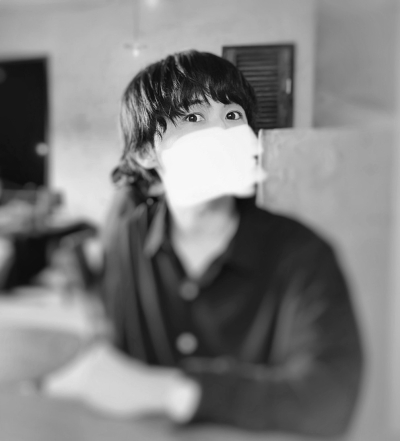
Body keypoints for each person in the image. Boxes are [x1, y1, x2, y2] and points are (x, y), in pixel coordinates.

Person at [46, 50, 363, 436]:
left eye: (233, 116)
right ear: (146, 153)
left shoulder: (302, 253)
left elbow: (330, 398)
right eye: (194, 118)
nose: (225, 134)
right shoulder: (131, 237)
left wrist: (174, 393)